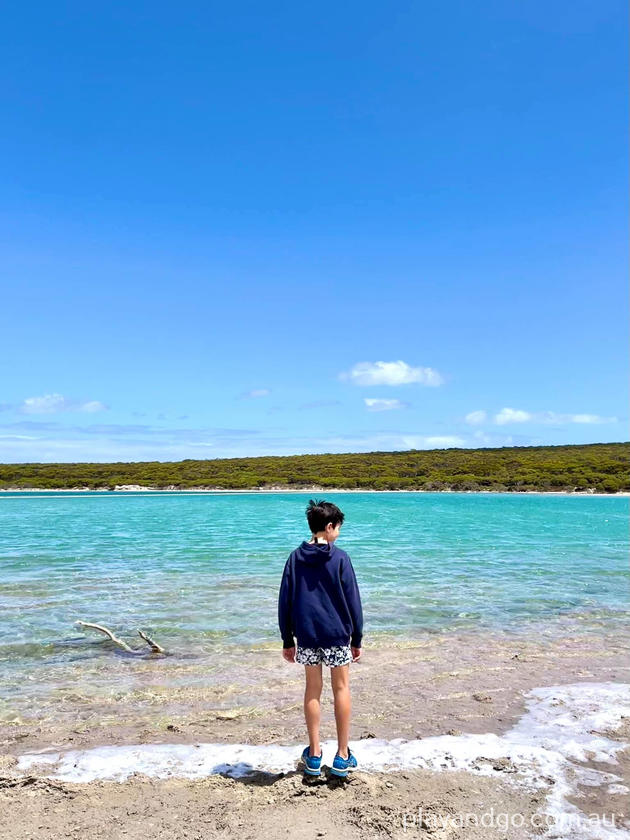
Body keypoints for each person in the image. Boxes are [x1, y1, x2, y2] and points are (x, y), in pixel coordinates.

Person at [277, 498, 363, 778]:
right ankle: (342, 755)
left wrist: (287, 639)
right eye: (337, 528)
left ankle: (314, 755)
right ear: (328, 527)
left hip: (308, 636)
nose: (338, 534)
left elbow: (285, 601)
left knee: (313, 690)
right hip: (338, 635)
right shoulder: (340, 558)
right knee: (341, 689)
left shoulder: (294, 558)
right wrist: (357, 637)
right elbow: (353, 601)